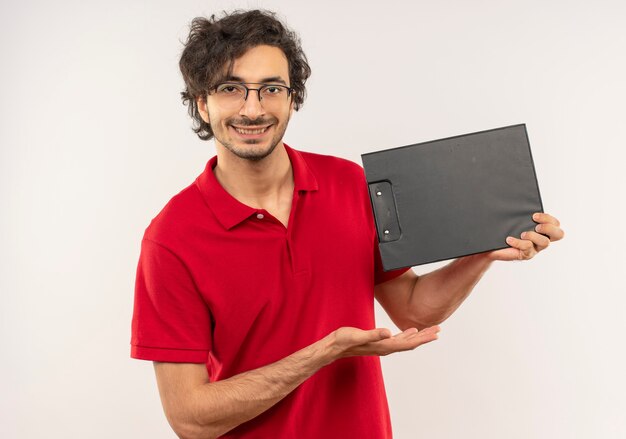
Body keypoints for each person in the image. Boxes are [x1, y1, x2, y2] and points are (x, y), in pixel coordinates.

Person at [130, 9, 564, 439]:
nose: (253, 108)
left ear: (292, 98)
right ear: (201, 103)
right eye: (231, 88)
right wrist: (322, 353)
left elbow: (413, 309)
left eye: (271, 89)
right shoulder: (171, 239)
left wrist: (484, 249)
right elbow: (189, 418)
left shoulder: (349, 184)